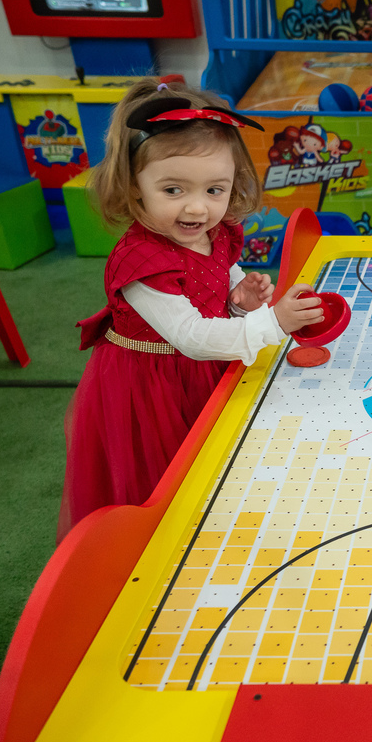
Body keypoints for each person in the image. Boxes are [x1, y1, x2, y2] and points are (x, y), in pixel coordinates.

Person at [58, 78, 323, 542]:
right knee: (163, 482)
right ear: (134, 187)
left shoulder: (214, 232)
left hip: (198, 369)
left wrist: (241, 297)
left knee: (212, 464)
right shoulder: (143, 261)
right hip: (150, 384)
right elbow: (192, 336)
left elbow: (222, 272)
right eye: (174, 190)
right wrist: (273, 321)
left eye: (214, 190)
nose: (198, 208)